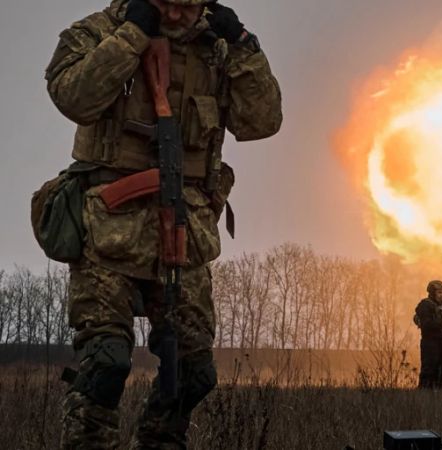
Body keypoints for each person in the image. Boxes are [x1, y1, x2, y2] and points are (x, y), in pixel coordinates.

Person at [43, 1, 282, 448]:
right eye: (166, 5)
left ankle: (160, 439)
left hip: (184, 231)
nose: (176, 15)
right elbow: (74, 97)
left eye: (187, 5)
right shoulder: (101, 31)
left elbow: (262, 122)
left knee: (193, 372)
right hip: (109, 230)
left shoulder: (219, 49)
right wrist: (132, 35)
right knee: (106, 363)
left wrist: (246, 46)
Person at [414, 280, 442, 389]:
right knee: (429, 369)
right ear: (432, 293)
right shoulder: (425, 305)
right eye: (439, 292)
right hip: (430, 342)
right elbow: (426, 324)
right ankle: (425, 394)